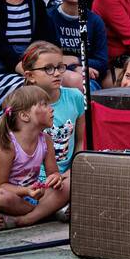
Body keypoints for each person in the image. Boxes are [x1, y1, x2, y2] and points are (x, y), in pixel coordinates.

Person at [0, 84, 69, 230]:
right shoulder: (7, 146)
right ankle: (46, 212)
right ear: (24, 115)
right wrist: (27, 191)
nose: (51, 108)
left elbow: (53, 172)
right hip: (12, 198)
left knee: (71, 180)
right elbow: (1, 186)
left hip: (33, 196)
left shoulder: (46, 139)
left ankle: (24, 219)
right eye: (44, 105)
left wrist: (55, 178)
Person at [16, 43, 85, 174]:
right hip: (32, 176)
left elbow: (81, 140)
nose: (57, 73)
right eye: (48, 68)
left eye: (60, 67)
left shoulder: (76, 97)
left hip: (68, 174)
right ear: (30, 76)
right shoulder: (22, 105)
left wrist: (73, 171)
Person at [47, 0, 109, 89]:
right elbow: (44, 57)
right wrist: (72, 68)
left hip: (87, 75)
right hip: (55, 75)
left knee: (89, 87)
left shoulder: (95, 21)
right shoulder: (49, 18)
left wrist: (76, 62)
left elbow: (102, 62)